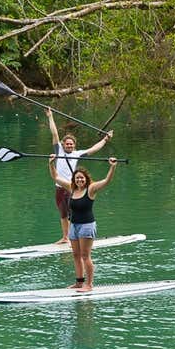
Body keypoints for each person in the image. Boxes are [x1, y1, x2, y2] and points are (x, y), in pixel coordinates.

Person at [49, 154, 118, 292]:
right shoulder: (71, 188)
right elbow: (55, 177)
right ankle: (79, 282)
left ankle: (89, 284)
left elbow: (106, 181)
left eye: (82, 178)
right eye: (77, 178)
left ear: (85, 179)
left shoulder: (91, 189)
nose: (79, 180)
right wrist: (51, 163)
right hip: (73, 226)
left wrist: (112, 167)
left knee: (85, 256)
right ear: (74, 180)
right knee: (75, 255)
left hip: (87, 226)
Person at [47, 108, 113, 244]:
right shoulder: (58, 150)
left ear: (74, 146)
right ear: (63, 145)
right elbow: (54, 134)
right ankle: (65, 238)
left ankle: (73, 237)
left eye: (71, 144)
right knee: (63, 214)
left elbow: (94, 149)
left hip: (72, 188)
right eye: (67, 144)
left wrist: (105, 139)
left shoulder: (77, 154)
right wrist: (50, 116)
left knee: (73, 214)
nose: (69, 146)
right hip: (59, 187)